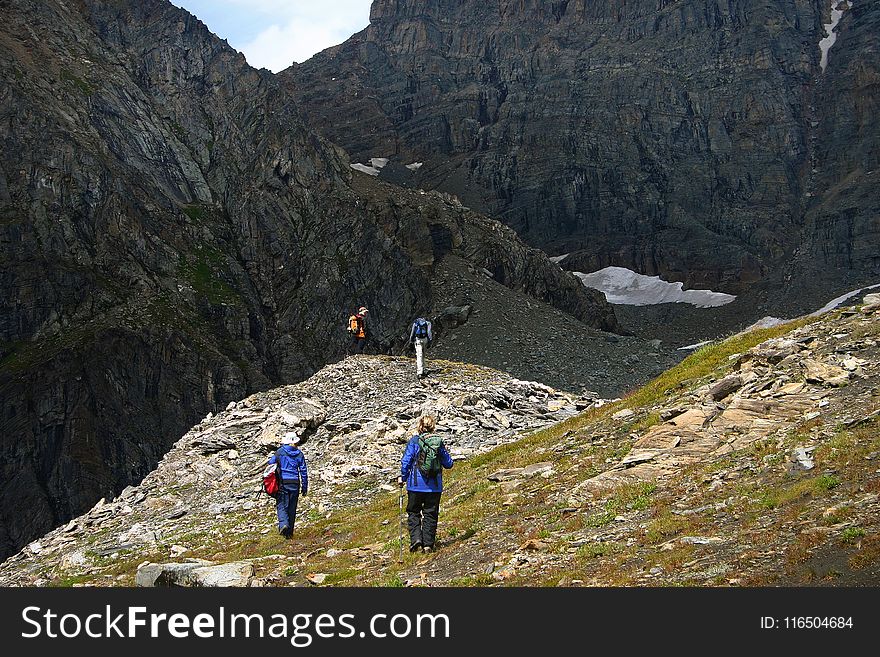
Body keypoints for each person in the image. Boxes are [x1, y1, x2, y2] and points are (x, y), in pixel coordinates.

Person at [397, 415, 453, 553]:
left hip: (415, 484)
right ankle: (428, 544)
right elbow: (448, 463)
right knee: (430, 513)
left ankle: (416, 540)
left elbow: (406, 461)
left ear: (420, 426)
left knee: (413, 512)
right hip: (434, 486)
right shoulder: (438, 442)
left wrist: (402, 477)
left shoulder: (414, 441)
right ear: (433, 426)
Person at [267, 431, 308, 538]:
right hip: (295, 483)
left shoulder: (280, 452)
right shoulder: (299, 454)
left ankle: (284, 524)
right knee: (292, 508)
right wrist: (304, 486)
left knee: (281, 505)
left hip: (283, 483)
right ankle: (289, 533)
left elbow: (271, 463)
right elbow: (303, 471)